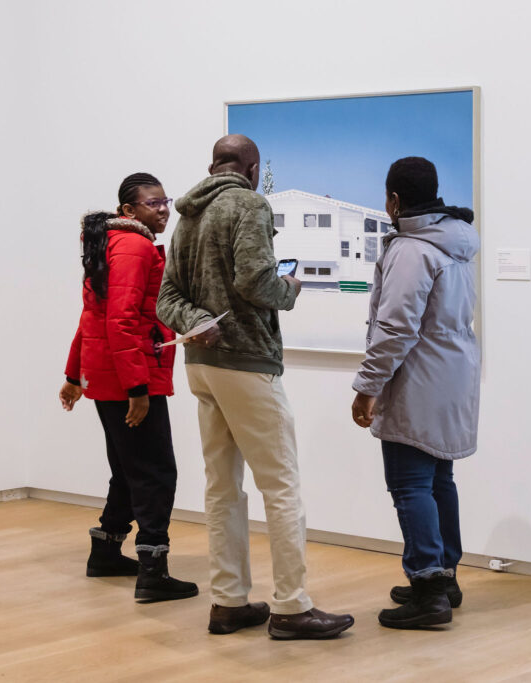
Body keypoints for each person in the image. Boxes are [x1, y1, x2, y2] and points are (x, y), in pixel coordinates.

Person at [157, 135, 354, 639]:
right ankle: (291, 607)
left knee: (223, 486)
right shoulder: (249, 203)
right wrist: (288, 289)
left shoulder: (186, 215)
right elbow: (255, 281)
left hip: (201, 364)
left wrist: (197, 318)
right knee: (281, 485)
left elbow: (167, 298)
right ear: (252, 168)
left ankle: (228, 601)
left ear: (212, 166)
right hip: (245, 361)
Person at [351, 156, 480, 629]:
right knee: (438, 480)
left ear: (395, 200)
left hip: (417, 378)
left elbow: (394, 328)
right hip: (451, 376)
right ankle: (444, 577)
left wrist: (367, 386)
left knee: (409, 484)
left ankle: (427, 590)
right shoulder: (455, 243)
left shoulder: (411, 249)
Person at [60, 172, 198, 603]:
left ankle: (105, 552)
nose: (163, 210)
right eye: (152, 203)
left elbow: (92, 318)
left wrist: (73, 377)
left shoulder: (108, 245)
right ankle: (153, 570)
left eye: (165, 201)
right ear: (128, 211)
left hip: (108, 376)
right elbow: (119, 321)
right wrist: (138, 387)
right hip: (132, 378)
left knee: (128, 468)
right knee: (157, 472)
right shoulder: (135, 247)